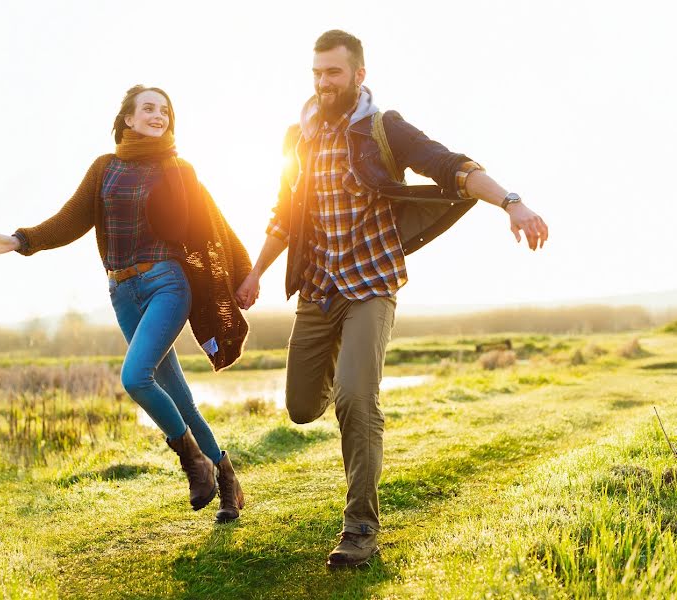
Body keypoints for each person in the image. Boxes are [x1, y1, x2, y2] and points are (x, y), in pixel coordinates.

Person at [235, 30, 549, 567]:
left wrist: (511, 202)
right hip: (316, 290)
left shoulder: (385, 128)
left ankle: (360, 527)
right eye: (316, 73)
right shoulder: (298, 137)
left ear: (359, 76)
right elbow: (285, 216)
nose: (323, 82)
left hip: (371, 284)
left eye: (333, 72)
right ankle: (349, 379)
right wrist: (255, 273)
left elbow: (452, 164)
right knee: (302, 407)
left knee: (357, 399)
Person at [0, 85, 251, 523]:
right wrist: (20, 240)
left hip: (167, 283)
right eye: (148, 108)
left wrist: (243, 276)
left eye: (165, 110)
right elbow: (72, 219)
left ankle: (192, 463)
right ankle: (227, 482)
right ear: (128, 118)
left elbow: (215, 224)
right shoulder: (105, 169)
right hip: (122, 292)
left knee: (135, 377)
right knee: (181, 399)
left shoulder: (178, 169)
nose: (158, 115)